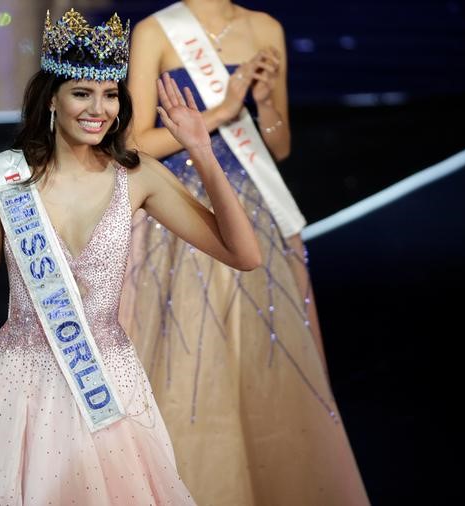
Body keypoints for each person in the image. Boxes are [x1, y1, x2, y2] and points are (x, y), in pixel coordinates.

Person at [0, 8, 262, 505]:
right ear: (52, 99)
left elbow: (244, 254)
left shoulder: (135, 175)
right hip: (15, 389)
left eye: (110, 93)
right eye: (82, 92)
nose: (98, 108)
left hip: (107, 387)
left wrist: (202, 154)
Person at [121, 1, 370, 505]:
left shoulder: (266, 28)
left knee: (268, 370)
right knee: (189, 369)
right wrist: (221, 112)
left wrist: (264, 102)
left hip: (255, 210)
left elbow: (277, 146)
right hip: (185, 216)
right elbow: (133, 143)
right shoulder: (155, 32)